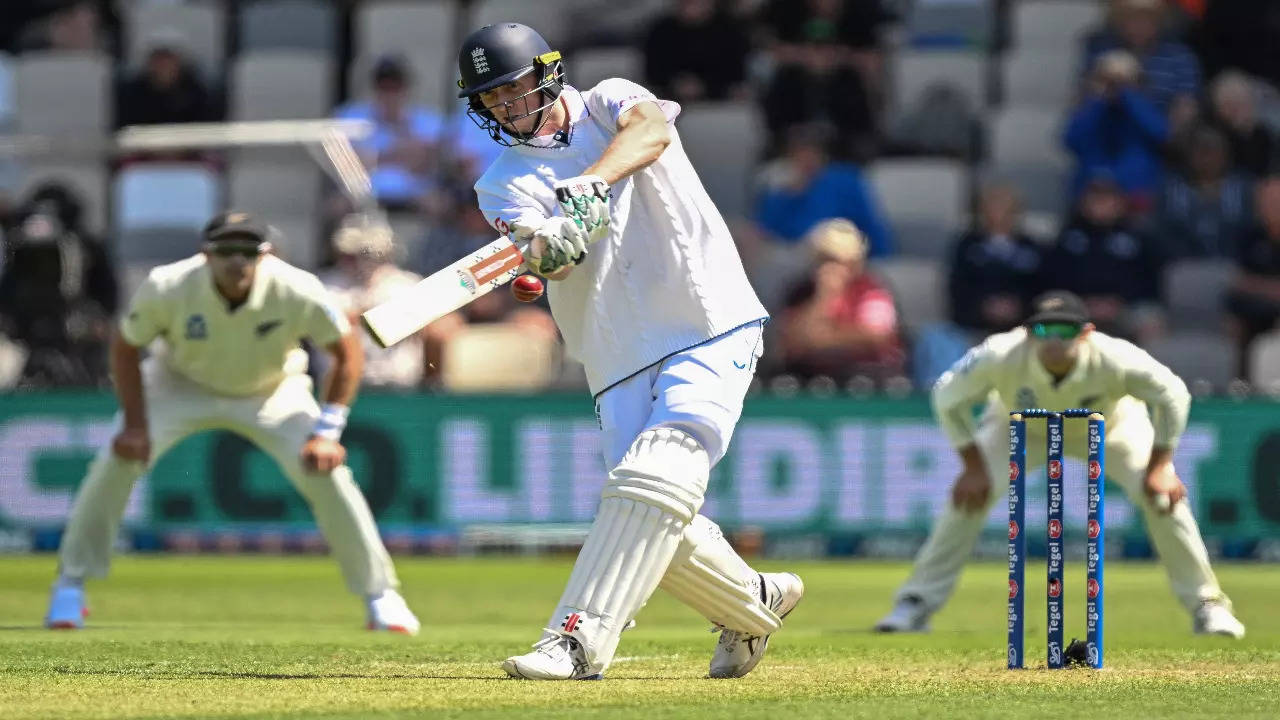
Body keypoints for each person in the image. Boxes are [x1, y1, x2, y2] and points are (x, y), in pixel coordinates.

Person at [457, 22, 803, 680]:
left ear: (546, 74)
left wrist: (586, 187)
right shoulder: (500, 183)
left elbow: (652, 133)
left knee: (657, 471)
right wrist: (552, 248)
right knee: (648, 508)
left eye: (512, 90)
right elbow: (548, 262)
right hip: (614, 354)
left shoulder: (609, 99)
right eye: (490, 101)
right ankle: (755, 602)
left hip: (708, 318)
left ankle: (576, 642)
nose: (504, 108)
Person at [44, 212, 418, 635]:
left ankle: (381, 596)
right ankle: (70, 585)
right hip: (177, 385)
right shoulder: (168, 284)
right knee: (114, 464)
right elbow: (127, 348)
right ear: (206, 255)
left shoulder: (298, 287)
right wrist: (133, 426)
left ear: (265, 254)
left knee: (329, 476)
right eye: (226, 251)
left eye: (247, 251)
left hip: (272, 390)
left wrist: (328, 431)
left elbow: (347, 352)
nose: (236, 261)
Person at [873, 290, 1245, 639]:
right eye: (1043, 329)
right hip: (1020, 426)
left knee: (1164, 500)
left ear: (1086, 333)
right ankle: (915, 603)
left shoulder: (1115, 356)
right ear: (1027, 331)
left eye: (1064, 330)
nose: (1053, 339)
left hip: (1109, 427)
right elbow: (946, 396)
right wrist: (972, 466)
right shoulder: (999, 353)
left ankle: (1207, 604)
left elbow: (1174, 394)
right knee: (966, 500)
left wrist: (1161, 464)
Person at [0, 183, 118, 388]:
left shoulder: (86, 251)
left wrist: (97, 321)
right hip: (25, 336)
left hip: (76, 338)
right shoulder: (16, 255)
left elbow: (106, 294)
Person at [777, 218, 903, 383]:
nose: (831, 266)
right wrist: (823, 298)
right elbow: (791, 342)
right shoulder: (800, 291)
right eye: (825, 258)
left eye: (841, 259)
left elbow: (876, 336)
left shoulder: (872, 290)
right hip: (809, 379)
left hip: (866, 379)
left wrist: (822, 338)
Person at [1045, 171, 1164, 341]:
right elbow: (1054, 279)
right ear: (1083, 203)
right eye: (1095, 199)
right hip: (1079, 305)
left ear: (1121, 203)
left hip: (1125, 306)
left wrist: (1119, 301)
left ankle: (1144, 368)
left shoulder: (1137, 238)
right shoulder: (1067, 239)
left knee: (1150, 322)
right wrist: (1084, 301)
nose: (1102, 205)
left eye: (1108, 199)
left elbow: (1148, 280)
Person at [320, 216, 426, 389]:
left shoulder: (405, 284)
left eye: (363, 255)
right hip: (338, 385)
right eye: (348, 255)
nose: (357, 262)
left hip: (396, 386)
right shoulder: (327, 284)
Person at [334, 57, 444, 211]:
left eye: (395, 87)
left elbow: (422, 163)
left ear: (406, 88)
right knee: (336, 207)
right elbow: (350, 165)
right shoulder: (351, 115)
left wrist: (399, 125)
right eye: (384, 87)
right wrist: (399, 155)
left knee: (440, 206)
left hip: (414, 190)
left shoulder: (428, 120)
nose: (390, 94)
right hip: (363, 190)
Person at [1064, 49, 1169, 209]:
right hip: (1091, 194)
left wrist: (1128, 97)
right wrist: (1100, 99)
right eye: (1107, 80)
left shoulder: (1144, 109)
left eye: (1123, 81)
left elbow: (1161, 135)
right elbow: (1070, 140)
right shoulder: (1091, 109)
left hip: (1135, 194)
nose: (1115, 87)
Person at [947, 184, 1044, 335]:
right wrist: (984, 307)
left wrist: (1019, 306)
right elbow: (958, 287)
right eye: (993, 208)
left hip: (1024, 327)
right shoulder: (967, 245)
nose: (998, 214)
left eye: (1005, 209)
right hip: (974, 324)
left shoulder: (1031, 247)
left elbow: (1041, 288)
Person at [1157, 124, 1253, 259]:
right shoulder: (1171, 188)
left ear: (1226, 154)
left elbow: (1251, 232)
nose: (1207, 158)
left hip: (1236, 266)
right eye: (1201, 151)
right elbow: (1162, 232)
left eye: (1213, 150)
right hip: (1183, 266)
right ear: (1189, 155)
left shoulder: (1244, 188)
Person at [643, 0, 751, 104]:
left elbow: (736, 72)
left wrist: (704, 87)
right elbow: (653, 71)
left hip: (719, 101)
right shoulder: (660, 31)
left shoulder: (729, 31)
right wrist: (677, 84)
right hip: (669, 99)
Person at [1226, 177, 1280, 373]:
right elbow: (1238, 281)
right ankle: (1242, 388)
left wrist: (1259, 286)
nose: (1271, 207)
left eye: (1276, 202)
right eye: (1266, 202)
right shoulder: (1249, 236)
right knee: (1233, 322)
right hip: (1255, 311)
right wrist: (1270, 289)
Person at [116, 29, 218, 128]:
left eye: (169, 58)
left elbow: (206, 129)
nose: (163, 65)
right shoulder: (132, 94)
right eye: (158, 58)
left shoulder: (197, 92)